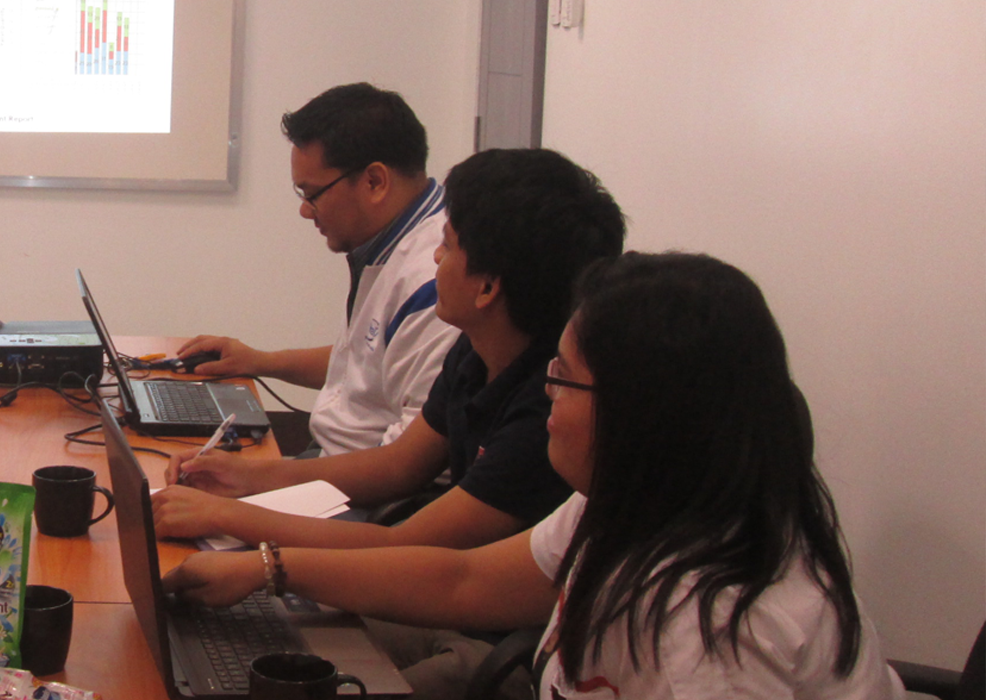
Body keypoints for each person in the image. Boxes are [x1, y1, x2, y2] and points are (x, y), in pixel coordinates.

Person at [164, 252, 906, 699]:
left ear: (645, 415)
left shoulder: (715, 631)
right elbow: (464, 583)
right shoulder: (622, 506)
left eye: (567, 379)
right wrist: (268, 570)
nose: (545, 395)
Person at [155, 148, 626, 699]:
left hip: (478, 640)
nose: (433, 262)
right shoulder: (480, 350)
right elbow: (397, 466)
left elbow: (413, 553)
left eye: (447, 248)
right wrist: (245, 481)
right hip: (430, 598)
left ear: (488, 287)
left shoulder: (544, 415)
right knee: (220, 633)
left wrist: (247, 538)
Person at [175, 83, 460, 461]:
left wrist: (254, 483)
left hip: (363, 495)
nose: (306, 211)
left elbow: (399, 468)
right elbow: (366, 362)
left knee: (181, 509)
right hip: (330, 464)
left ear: (375, 181)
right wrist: (257, 360)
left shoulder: (436, 281)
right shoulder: (390, 243)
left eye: (311, 194)